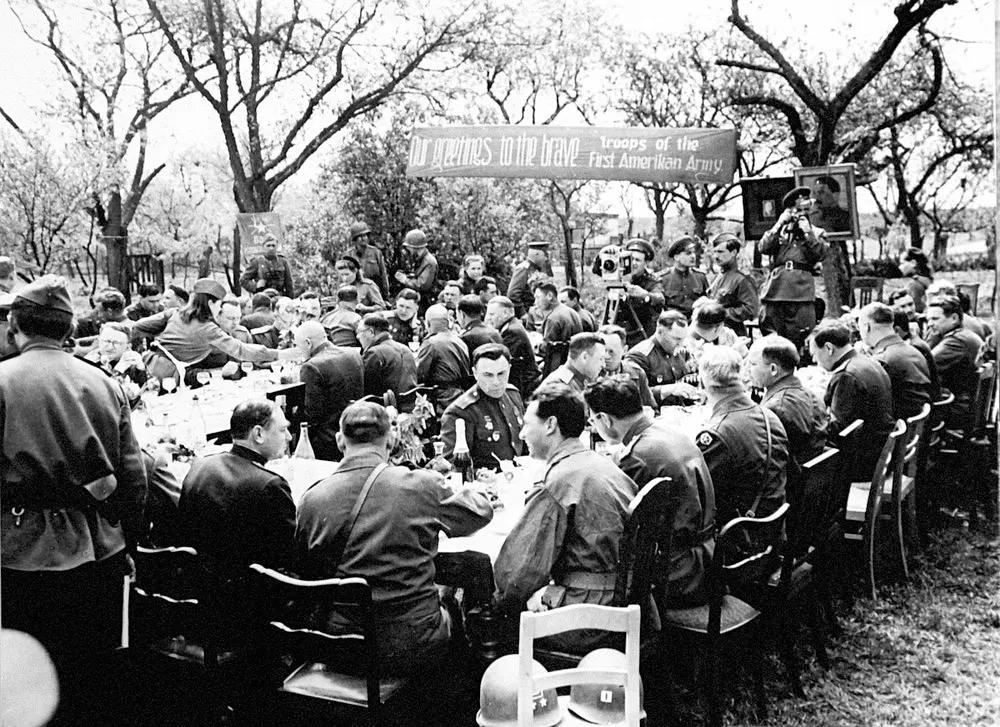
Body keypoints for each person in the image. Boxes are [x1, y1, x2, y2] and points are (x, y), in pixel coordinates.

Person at [1, 276, 147, 723]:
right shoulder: (103, 382)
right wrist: (129, 542)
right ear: (67, 329)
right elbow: (133, 479)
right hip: (97, 549)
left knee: (28, 683)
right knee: (92, 679)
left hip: (19, 554)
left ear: (14, 324)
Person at [296, 401, 493, 674]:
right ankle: (459, 698)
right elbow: (479, 513)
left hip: (342, 647)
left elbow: (306, 568)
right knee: (454, 597)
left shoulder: (311, 499)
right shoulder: (420, 485)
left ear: (340, 441)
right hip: (412, 643)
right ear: (392, 439)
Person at [493, 383, 638, 651]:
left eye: (527, 424)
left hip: (590, 615)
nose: (522, 433)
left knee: (496, 611)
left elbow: (519, 573)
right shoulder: (599, 464)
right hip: (628, 599)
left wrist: (501, 601)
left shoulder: (559, 481)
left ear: (550, 425)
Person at [583, 375, 715, 607]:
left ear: (604, 419)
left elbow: (617, 529)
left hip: (676, 574)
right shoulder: (671, 434)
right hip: (706, 559)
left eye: (593, 420)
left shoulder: (636, 457)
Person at [178, 399, 296, 600]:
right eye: (282, 429)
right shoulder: (270, 485)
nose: (288, 437)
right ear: (258, 434)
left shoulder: (200, 466)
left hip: (200, 591)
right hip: (250, 601)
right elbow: (290, 555)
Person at [695, 346, 789, 525]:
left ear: (703, 382)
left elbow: (701, 497)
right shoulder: (769, 415)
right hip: (773, 523)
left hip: (739, 534)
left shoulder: (716, 434)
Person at [134, 278, 295, 381]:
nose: (219, 309)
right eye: (219, 304)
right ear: (211, 304)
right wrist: (279, 354)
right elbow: (240, 350)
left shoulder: (175, 313)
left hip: (147, 367)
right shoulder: (208, 328)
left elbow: (138, 326)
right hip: (167, 375)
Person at [808, 320, 895, 481]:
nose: (814, 360)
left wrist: (811, 409)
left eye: (814, 353)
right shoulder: (868, 362)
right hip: (879, 453)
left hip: (863, 464)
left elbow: (836, 430)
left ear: (828, 348)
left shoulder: (846, 376)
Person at [746, 335, 829, 483]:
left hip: (790, 489)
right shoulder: (810, 394)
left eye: (752, 364)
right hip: (813, 482)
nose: (747, 369)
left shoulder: (776, 409)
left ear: (773, 369)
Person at [758, 186, 828, 351]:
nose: (801, 214)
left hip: (801, 293)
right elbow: (763, 247)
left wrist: (808, 233)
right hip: (776, 291)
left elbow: (820, 254)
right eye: (797, 210)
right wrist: (779, 224)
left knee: (801, 335)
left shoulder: (817, 233)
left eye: (805, 210)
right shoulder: (779, 231)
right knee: (772, 338)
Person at [441, 343, 525, 470]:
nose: (496, 382)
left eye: (501, 373)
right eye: (488, 375)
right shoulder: (460, 412)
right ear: (475, 373)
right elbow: (453, 469)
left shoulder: (513, 395)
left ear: (510, 369)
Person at [294, 321, 365, 460]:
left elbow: (311, 414)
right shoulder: (353, 353)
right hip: (357, 428)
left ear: (308, 343)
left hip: (329, 440)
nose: (299, 350)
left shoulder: (311, 367)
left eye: (298, 345)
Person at [858, 302, 932, 420]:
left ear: (867, 327)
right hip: (913, 426)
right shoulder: (914, 350)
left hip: (897, 427)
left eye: (859, 327)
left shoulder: (882, 361)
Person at [926, 294, 984, 430]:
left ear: (954, 318)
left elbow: (923, 366)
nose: (929, 324)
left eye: (935, 319)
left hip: (958, 409)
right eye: (928, 319)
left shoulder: (956, 342)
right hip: (968, 405)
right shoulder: (964, 335)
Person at [625, 309, 701, 406]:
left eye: (683, 339)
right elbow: (632, 395)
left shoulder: (682, 351)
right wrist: (667, 390)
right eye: (676, 339)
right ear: (660, 331)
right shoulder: (640, 355)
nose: (680, 343)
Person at [606, 238, 665, 346]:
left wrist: (644, 295)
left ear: (646, 263)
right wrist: (604, 253)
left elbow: (660, 300)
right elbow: (597, 270)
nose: (633, 263)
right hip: (617, 333)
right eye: (630, 259)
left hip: (640, 335)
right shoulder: (617, 275)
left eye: (637, 260)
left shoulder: (652, 281)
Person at [357, 312, 418, 412]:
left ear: (371, 332)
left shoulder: (374, 353)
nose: (358, 336)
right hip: (410, 407)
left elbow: (365, 390)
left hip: (385, 411)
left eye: (360, 331)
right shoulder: (405, 348)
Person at [416, 304, 471, 415]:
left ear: (428, 324)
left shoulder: (431, 343)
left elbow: (419, 374)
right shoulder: (459, 341)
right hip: (463, 395)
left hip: (441, 399)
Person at [486, 295, 541, 401]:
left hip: (525, 383)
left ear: (506, 313)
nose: (488, 318)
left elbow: (502, 359)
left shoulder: (511, 331)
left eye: (492, 314)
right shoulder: (513, 325)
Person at [707, 232, 759, 337]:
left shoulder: (742, 279)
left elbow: (751, 310)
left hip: (733, 334)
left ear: (734, 252)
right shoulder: (717, 277)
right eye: (715, 252)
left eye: (721, 252)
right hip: (714, 332)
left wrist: (720, 312)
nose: (716, 256)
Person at [85, 321, 149, 403]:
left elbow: (147, 390)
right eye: (106, 341)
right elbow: (105, 396)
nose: (110, 347)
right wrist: (118, 370)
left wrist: (140, 368)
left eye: (116, 343)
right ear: (99, 341)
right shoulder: (89, 363)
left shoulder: (130, 358)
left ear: (127, 347)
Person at [539, 332, 607, 406]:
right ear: (585, 357)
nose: (604, 365)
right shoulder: (559, 387)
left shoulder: (582, 380)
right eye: (601, 359)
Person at [599, 324, 656, 409]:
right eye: (603, 351)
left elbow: (651, 408)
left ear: (624, 351)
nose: (606, 356)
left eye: (611, 352)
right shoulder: (589, 374)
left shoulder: (636, 373)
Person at [536, 280, 583, 378]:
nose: (535, 302)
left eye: (538, 297)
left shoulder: (552, 318)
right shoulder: (572, 312)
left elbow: (546, 349)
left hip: (558, 371)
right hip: (575, 367)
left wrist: (535, 346)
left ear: (549, 296)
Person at [661, 236, 709, 318]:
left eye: (693, 252)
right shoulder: (663, 279)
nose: (693, 256)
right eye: (688, 253)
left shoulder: (700, 277)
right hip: (673, 325)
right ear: (676, 257)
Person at [394, 229, 438, 310]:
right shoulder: (419, 259)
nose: (408, 250)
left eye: (409, 248)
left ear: (415, 248)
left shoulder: (429, 262)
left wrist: (404, 279)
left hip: (425, 304)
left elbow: (422, 285)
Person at [345, 221, 391, 297]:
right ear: (355, 239)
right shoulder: (349, 255)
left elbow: (383, 275)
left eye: (365, 235)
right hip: (356, 294)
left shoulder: (376, 252)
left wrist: (386, 296)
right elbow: (344, 277)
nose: (363, 238)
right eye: (360, 236)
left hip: (375, 293)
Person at [507, 240, 551, 318]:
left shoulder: (535, 269)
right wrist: (523, 313)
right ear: (536, 254)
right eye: (545, 255)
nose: (546, 259)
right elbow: (513, 294)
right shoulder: (523, 269)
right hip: (528, 314)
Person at [898, 247, 933, 313]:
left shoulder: (913, 285)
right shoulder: (924, 280)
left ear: (913, 263)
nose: (900, 267)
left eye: (902, 263)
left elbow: (916, 309)